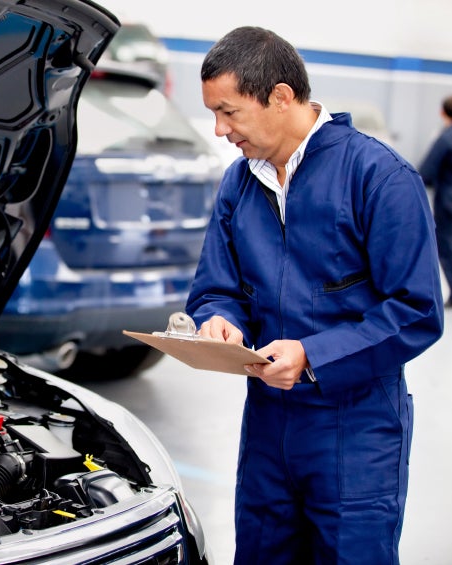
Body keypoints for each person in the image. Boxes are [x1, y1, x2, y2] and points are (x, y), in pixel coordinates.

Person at [185, 26, 444, 564]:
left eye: (229, 112)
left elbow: (416, 310)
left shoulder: (379, 178)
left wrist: (313, 357)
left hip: (355, 429)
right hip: (267, 424)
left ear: (280, 96)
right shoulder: (239, 183)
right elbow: (216, 286)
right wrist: (219, 320)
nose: (218, 129)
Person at [418, 95, 452, 307]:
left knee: (447, 246)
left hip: (448, 203)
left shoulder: (445, 139)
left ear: (442, 113)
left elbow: (426, 172)